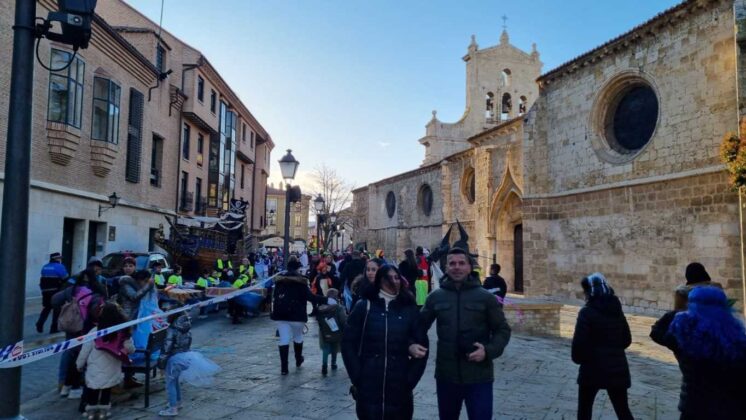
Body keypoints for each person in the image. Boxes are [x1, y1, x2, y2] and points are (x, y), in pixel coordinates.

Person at [409, 248, 511, 420]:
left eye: (461, 263)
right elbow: (418, 326)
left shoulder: (485, 298)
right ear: (446, 267)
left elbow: (502, 329)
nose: (457, 267)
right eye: (452, 263)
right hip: (446, 376)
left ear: (470, 267)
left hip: (479, 376)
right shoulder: (436, 297)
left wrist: (488, 351)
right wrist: (411, 343)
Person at [342, 264, 428, 420]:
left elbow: (422, 346)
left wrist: (409, 380)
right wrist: (357, 376)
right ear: (380, 281)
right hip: (369, 383)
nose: (394, 281)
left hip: (399, 385)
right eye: (389, 278)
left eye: (397, 277)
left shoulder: (409, 309)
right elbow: (348, 343)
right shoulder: (364, 307)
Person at [651, 286, 746, 419]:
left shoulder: (685, 334)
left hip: (695, 406)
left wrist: (677, 310)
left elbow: (657, 333)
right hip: (732, 408)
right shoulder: (737, 336)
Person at [571, 273, 634, 420]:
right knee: (623, 411)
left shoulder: (586, 313)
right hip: (617, 368)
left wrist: (582, 359)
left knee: (584, 412)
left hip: (592, 369)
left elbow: (579, 345)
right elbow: (627, 339)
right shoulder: (616, 310)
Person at [157, 303, 220, 417]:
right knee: (175, 381)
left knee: (170, 383)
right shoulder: (186, 327)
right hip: (185, 356)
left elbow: (166, 348)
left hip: (174, 359)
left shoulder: (171, 329)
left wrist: (161, 364)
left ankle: (173, 408)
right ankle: (178, 402)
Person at [52, 269, 105, 400]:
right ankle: (77, 387)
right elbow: (96, 312)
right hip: (87, 329)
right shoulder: (95, 292)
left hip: (72, 327)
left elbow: (54, 300)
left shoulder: (72, 290)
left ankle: (66, 385)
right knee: (83, 358)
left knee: (72, 355)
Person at [76, 303, 134, 419]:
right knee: (106, 389)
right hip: (112, 367)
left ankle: (91, 411)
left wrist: (79, 364)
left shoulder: (94, 332)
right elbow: (131, 349)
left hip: (95, 367)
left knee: (93, 389)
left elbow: (84, 351)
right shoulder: (122, 332)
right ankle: (104, 411)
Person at [270, 256, 327, 375]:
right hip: (297, 315)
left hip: (281, 314)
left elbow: (275, 297)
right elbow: (311, 297)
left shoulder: (279, 281)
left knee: (284, 338)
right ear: (298, 268)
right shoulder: (301, 282)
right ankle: (298, 360)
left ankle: (284, 369)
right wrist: (327, 300)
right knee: (298, 337)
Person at [316, 288, 347, 376]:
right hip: (337, 331)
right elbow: (343, 320)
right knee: (335, 347)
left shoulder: (321, 307)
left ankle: (324, 366)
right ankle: (333, 364)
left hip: (324, 331)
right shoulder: (339, 307)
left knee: (325, 348)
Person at [36, 252, 68, 334]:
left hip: (45, 291)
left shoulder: (45, 267)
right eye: (59, 258)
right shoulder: (60, 267)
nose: (60, 259)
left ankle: (40, 322)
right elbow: (65, 278)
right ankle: (54, 328)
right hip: (56, 291)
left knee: (47, 308)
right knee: (57, 309)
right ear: (56, 259)